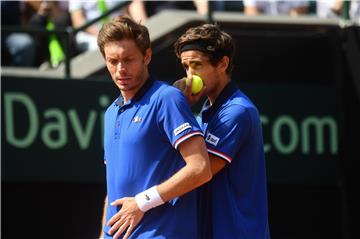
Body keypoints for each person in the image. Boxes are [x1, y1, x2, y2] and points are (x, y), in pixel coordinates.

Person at [97, 16, 212, 239]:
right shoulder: (111, 112)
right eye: (113, 61)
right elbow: (112, 188)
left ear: (147, 56)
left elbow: (200, 168)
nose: (121, 69)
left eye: (128, 59)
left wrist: (142, 202)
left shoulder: (167, 99)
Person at [173, 23, 271, 239]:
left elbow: (198, 172)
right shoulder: (204, 112)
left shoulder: (238, 111)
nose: (190, 75)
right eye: (186, 67)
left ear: (223, 64)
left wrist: (143, 201)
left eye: (197, 65)